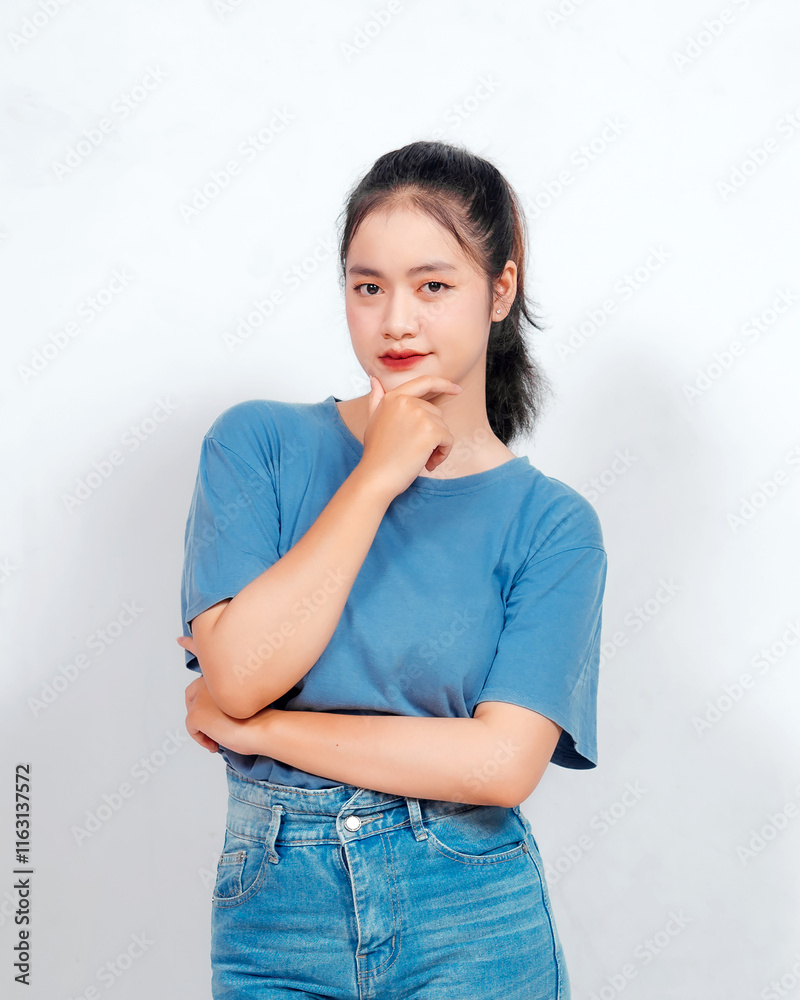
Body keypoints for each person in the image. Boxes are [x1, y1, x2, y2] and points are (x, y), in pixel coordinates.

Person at [177, 140, 607, 999]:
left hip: (471, 913)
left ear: (502, 290)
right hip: (274, 916)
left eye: (433, 285)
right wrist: (377, 475)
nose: (395, 321)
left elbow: (498, 766)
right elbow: (238, 672)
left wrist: (262, 732)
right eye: (367, 286)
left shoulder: (553, 525)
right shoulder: (258, 445)